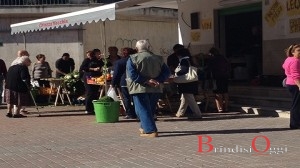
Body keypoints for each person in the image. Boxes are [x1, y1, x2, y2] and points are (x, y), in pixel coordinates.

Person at [126, 40, 170, 137]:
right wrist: (158, 80)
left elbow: (132, 74)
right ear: (149, 47)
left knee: (142, 109)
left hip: (139, 88)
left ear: (136, 48)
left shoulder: (133, 58)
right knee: (149, 109)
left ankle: (150, 130)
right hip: (155, 87)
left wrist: (146, 81)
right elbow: (167, 72)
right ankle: (143, 127)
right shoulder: (159, 58)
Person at [174, 48, 202, 119]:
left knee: (190, 98)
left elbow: (184, 70)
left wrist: (177, 73)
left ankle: (197, 113)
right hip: (192, 81)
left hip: (186, 82)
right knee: (185, 98)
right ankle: (180, 112)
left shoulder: (184, 60)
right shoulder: (191, 59)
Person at [111, 47, 137, 119]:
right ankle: (137, 112)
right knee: (135, 97)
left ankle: (130, 114)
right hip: (136, 81)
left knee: (126, 98)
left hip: (124, 82)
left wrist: (113, 84)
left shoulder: (119, 62)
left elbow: (116, 74)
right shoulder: (136, 60)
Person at [79, 49, 104, 114]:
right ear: (94, 54)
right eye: (97, 53)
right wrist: (93, 69)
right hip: (89, 77)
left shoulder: (99, 60)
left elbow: (103, 65)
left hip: (97, 77)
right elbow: (83, 68)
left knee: (95, 92)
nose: (99, 55)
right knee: (90, 92)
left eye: (99, 53)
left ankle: (94, 108)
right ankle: (88, 108)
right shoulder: (87, 60)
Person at [282, 44, 300, 129]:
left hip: (290, 83)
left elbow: (284, 67)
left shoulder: (288, 59)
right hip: (295, 84)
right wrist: (299, 85)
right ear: (293, 52)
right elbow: (295, 75)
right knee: (296, 105)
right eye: (298, 51)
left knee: (295, 104)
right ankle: (295, 124)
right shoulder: (295, 61)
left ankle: (295, 123)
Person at [208, 47, 230, 112]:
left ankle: (220, 108)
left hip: (216, 77)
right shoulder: (223, 58)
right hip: (225, 76)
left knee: (218, 93)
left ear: (211, 53)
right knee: (225, 92)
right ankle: (226, 107)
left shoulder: (212, 59)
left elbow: (209, 68)